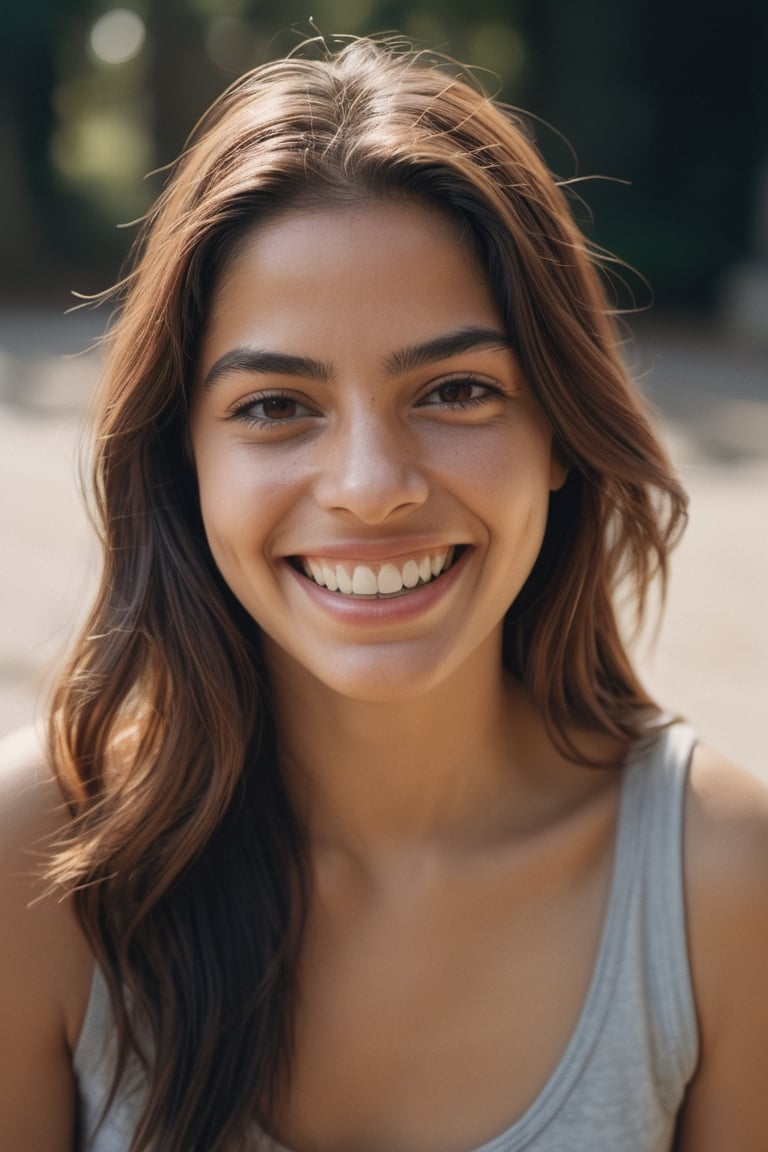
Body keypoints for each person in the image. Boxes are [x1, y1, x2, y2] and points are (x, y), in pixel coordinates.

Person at [1, 34, 767, 1152]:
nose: (370, 488)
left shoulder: (720, 883)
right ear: (184, 461)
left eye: (456, 390)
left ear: (560, 430)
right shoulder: (42, 861)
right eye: (274, 406)